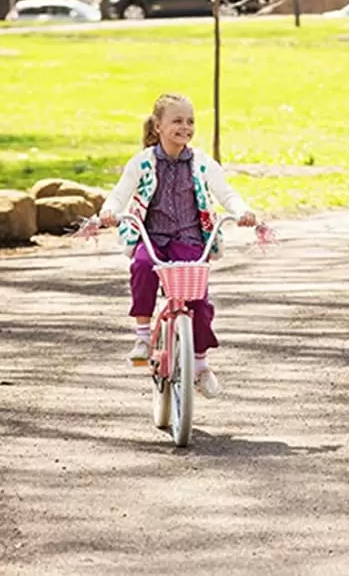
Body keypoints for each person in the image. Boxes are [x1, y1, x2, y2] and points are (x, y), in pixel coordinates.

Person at [99, 93, 256, 398]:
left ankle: (200, 365)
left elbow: (226, 193)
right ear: (157, 126)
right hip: (153, 237)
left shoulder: (201, 164)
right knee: (143, 266)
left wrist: (242, 211)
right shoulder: (143, 162)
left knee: (198, 301)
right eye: (177, 121)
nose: (185, 127)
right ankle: (143, 336)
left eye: (190, 121)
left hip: (190, 239)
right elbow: (119, 194)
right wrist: (109, 212)